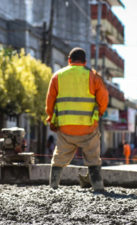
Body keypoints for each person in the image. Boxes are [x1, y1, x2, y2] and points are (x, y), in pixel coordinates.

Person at [45, 47, 109, 191]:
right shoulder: (93, 76)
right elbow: (103, 98)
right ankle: (98, 187)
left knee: (59, 156)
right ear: (85, 61)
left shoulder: (58, 76)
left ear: (69, 60)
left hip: (66, 128)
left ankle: (53, 186)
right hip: (88, 128)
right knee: (93, 157)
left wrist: (51, 118)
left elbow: (50, 101)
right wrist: (98, 114)